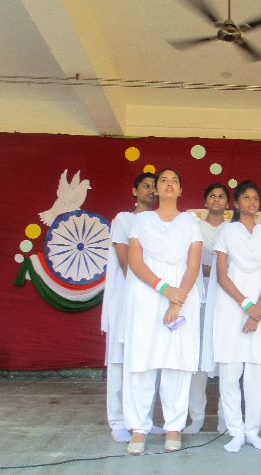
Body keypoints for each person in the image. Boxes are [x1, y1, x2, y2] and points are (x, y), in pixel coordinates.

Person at [122, 168, 202, 455]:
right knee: (142, 359)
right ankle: (139, 428)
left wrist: (177, 301)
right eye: (163, 180)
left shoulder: (191, 222)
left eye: (175, 180)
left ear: (181, 190)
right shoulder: (140, 221)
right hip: (147, 294)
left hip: (182, 295)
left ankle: (173, 427)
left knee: (176, 362)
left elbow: (193, 265)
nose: (169, 184)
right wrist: (164, 289)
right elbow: (135, 262)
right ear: (155, 189)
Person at [211, 180, 261, 453]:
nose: (252, 202)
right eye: (246, 198)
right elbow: (221, 275)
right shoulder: (227, 231)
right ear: (236, 203)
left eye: (255, 198)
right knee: (230, 372)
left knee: (259, 371)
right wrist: (246, 305)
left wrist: (257, 309)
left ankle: (252, 430)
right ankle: (235, 431)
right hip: (232, 307)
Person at [100, 173, 162, 443]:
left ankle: (142, 419)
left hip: (153, 297)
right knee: (120, 359)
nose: (151, 190)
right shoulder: (123, 220)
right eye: (146, 186)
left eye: (154, 186)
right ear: (134, 190)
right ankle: (117, 421)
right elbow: (126, 263)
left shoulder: (160, 222)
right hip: (127, 297)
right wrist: (146, 291)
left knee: (148, 360)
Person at [184, 183, 229, 435]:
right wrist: (213, 271)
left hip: (225, 296)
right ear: (205, 201)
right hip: (199, 294)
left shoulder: (232, 229)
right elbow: (188, 261)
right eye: (212, 195)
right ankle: (197, 417)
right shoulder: (195, 228)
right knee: (199, 355)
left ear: (228, 203)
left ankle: (225, 418)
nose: (217, 199)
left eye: (221, 196)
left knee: (226, 356)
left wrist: (217, 272)